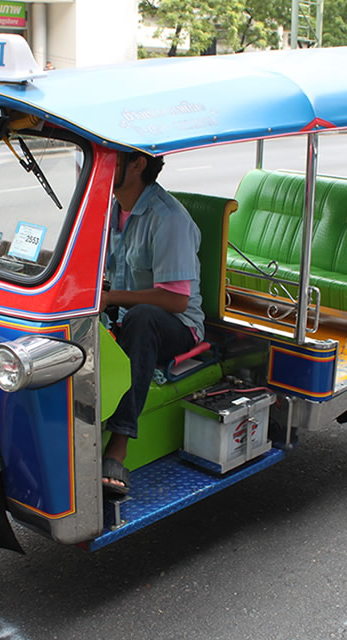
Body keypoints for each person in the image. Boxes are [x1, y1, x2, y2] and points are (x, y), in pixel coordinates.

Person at [100, 151, 204, 495]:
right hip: (122, 316)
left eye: (111, 159)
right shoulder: (109, 208)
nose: (101, 166)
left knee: (142, 319)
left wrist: (111, 298)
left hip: (176, 326)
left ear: (138, 164)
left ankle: (118, 443)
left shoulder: (168, 219)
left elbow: (176, 300)